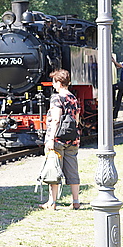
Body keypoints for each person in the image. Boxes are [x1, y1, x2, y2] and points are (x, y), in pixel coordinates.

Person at [39, 69, 81, 211]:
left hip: (58, 139)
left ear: (58, 82)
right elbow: (77, 119)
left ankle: (52, 202)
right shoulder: (73, 98)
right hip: (73, 139)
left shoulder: (57, 98)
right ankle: (76, 201)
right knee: (73, 170)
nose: (53, 85)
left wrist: (51, 138)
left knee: (54, 169)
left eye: (54, 82)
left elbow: (56, 119)